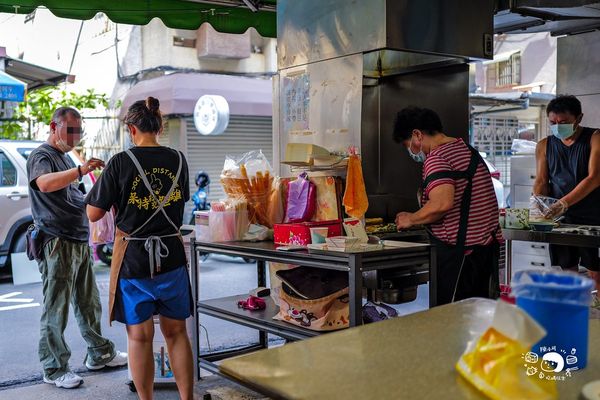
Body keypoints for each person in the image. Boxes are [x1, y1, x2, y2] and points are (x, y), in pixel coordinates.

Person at [86, 97, 193, 400]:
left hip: (134, 263)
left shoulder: (121, 162)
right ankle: (188, 398)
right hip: (171, 258)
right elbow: (180, 201)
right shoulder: (179, 160)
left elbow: (93, 213)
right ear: (159, 126)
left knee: (140, 337)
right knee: (176, 333)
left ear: (132, 129)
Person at [26, 106, 127, 389]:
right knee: (56, 307)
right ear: (53, 126)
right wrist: (80, 170)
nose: (74, 136)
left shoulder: (64, 156)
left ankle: (100, 353)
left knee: (88, 302)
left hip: (77, 240)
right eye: (69, 130)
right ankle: (54, 368)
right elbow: (44, 185)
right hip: (56, 241)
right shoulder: (42, 156)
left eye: (78, 131)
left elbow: (75, 196)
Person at [393, 107, 501, 305]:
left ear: (417, 134)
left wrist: (411, 218)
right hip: (483, 251)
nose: (411, 150)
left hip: (461, 256)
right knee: (476, 318)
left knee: (451, 323)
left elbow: (442, 203)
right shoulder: (466, 150)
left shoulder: (438, 157)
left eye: (408, 144)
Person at [533, 95, 600, 292]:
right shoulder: (544, 145)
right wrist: (538, 202)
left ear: (578, 118)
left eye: (563, 122)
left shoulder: (595, 138)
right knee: (567, 268)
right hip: (560, 218)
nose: (557, 127)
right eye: (553, 122)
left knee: (595, 270)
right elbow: (542, 180)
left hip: (591, 215)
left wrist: (562, 203)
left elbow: (594, 177)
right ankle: (573, 306)